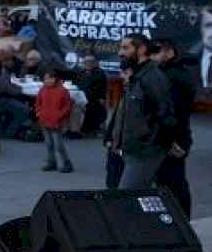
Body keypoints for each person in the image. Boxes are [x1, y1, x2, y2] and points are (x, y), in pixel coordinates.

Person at [105, 34, 175, 190]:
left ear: (142, 49)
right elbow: (127, 113)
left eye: (125, 48)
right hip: (131, 150)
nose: (120, 53)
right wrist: (114, 139)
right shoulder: (136, 76)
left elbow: (166, 116)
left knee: (127, 197)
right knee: (139, 197)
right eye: (120, 48)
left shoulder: (153, 77)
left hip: (144, 152)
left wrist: (154, 145)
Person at [154, 38, 195, 217]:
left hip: (173, 138)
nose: (152, 56)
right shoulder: (168, 73)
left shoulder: (173, 75)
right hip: (172, 137)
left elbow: (174, 112)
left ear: (169, 52)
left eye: (156, 52)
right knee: (167, 182)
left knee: (174, 183)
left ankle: (181, 222)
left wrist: (172, 140)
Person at [35, 69, 74, 173]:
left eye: (49, 78)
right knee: (49, 143)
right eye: (45, 79)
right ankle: (52, 162)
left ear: (55, 78)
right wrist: (39, 112)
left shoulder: (63, 91)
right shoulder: (42, 89)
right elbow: (38, 102)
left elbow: (67, 106)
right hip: (44, 120)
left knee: (58, 145)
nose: (47, 81)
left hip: (57, 122)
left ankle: (67, 163)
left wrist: (59, 116)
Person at [77, 54, 109, 136]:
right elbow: (78, 85)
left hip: (95, 97)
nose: (88, 63)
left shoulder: (100, 73)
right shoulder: (80, 73)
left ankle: (92, 129)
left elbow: (103, 87)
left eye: (90, 62)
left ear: (94, 63)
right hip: (82, 97)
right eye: (86, 62)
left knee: (95, 108)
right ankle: (83, 130)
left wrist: (102, 98)